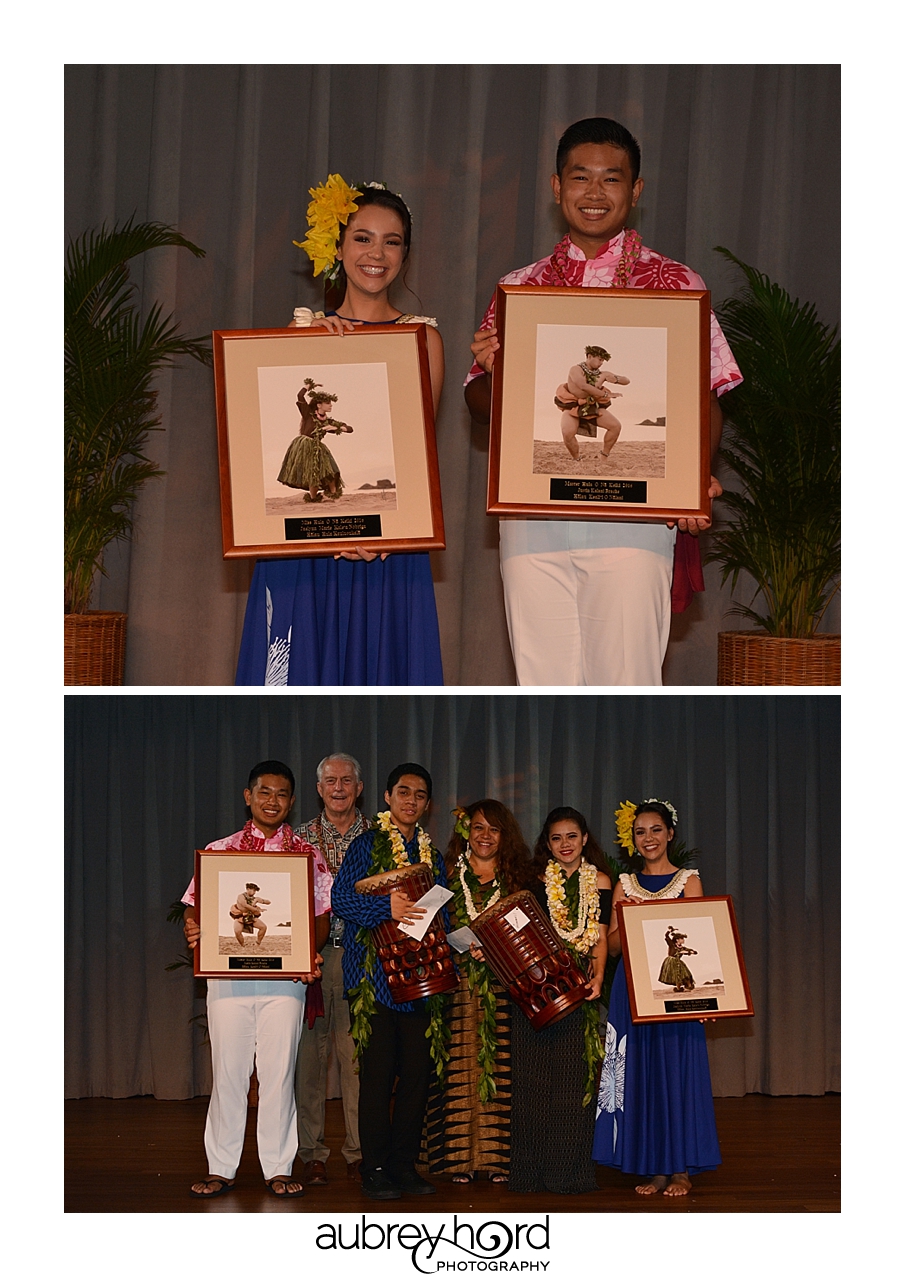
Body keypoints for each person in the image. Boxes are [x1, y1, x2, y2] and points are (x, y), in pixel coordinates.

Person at [464, 117, 743, 686]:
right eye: (580, 177)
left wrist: (693, 481)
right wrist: (495, 370)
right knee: (539, 683)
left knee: (626, 682)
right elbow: (480, 406)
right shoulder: (521, 286)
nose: (594, 192)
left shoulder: (676, 284)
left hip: (635, 519)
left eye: (611, 179)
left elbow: (708, 396)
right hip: (533, 516)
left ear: (635, 190)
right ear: (555, 186)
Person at [236, 178, 445, 686]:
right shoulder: (299, 331)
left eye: (391, 241)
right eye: (362, 237)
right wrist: (302, 350)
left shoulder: (423, 338)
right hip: (302, 554)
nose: (377, 253)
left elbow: (417, 457)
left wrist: (381, 535)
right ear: (337, 246)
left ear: (405, 254)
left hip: (387, 553)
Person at [182, 761, 332, 1199]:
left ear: (291, 800)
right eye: (264, 792)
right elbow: (195, 904)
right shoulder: (220, 850)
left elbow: (320, 915)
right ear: (248, 796)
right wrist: (193, 926)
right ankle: (221, 1167)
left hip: (285, 984)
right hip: (227, 981)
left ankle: (278, 1166)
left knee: (278, 1074)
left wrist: (309, 952)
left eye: (282, 794)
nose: (272, 801)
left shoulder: (307, 854)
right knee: (228, 1073)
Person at [330, 763, 448, 1201]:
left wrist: (457, 939)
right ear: (386, 797)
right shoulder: (367, 844)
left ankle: (404, 1166)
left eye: (419, 795)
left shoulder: (433, 857)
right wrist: (386, 910)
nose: (411, 800)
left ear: (426, 804)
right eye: (403, 792)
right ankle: (374, 1168)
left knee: (417, 1078)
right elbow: (341, 899)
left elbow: (443, 912)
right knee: (377, 1080)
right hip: (375, 983)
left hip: (420, 984)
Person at [592, 799, 721, 1196]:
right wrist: (626, 919)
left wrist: (710, 1001)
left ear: (670, 834)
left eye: (655, 830)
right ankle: (655, 1168)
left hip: (675, 995)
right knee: (642, 1076)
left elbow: (702, 940)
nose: (648, 838)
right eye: (639, 832)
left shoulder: (689, 881)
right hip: (631, 993)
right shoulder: (624, 884)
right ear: (632, 840)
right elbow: (612, 948)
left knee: (677, 1074)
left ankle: (681, 1168)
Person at [424, 799, 532, 1184]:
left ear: (506, 836)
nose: (485, 836)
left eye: (494, 829)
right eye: (479, 827)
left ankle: (498, 1159)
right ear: (466, 831)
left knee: (501, 1068)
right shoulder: (447, 875)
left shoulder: (519, 879)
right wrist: (458, 944)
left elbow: (530, 934)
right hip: (455, 985)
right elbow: (424, 928)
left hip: (504, 988)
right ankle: (458, 1161)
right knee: (457, 1068)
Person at [507, 807, 612, 1194]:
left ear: (585, 838)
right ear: (546, 844)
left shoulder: (598, 879)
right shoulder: (532, 882)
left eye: (572, 836)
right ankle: (529, 1173)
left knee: (572, 1082)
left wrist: (598, 975)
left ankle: (567, 1173)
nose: (564, 845)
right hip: (534, 994)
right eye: (556, 838)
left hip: (578, 988)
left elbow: (599, 936)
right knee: (531, 1083)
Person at [294, 752, 369, 1186]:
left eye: (346, 780)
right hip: (312, 964)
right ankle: (312, 1153)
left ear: (359, 788)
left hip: (361, 959)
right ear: (319, 789)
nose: (338, 787)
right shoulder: (298, 840)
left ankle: (359, 1151)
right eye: (330, 781)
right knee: (310, 1062)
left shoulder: (379, 838)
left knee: (357, 1060)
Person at [277, 379, 353, 501]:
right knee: (312, 472)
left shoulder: (328, 421)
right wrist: (309, 386)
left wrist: (334, 427)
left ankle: (333, 496)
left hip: (319, 447)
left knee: (331, 470)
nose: (330, 405)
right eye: (327, 403)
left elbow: (350, 429)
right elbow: (300, 396)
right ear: (319, 405)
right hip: (304, 446)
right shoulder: (308, 414)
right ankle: (313, 498)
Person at [555, 345, 630, 460]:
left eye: (603, 361)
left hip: (592, 405)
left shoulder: (601, 374)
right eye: (600, 359)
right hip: (574, 405)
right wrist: (606, 394)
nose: (601, 363)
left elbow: (627, 381)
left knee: (615, 426)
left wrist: (615, 379)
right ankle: (576, 458)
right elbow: (583, 385)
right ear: (590, 356)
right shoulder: (575, 369)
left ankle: (603, 455)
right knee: (567, 432)